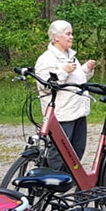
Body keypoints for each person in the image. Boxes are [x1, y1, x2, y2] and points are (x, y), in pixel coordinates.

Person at [35, 20, 97, 173]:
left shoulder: (70, 56)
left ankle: (68, 181)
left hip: (78, 111)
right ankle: (51, 184)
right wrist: (64, 71)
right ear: (56, 37)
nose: (72, 37)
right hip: (62, 115)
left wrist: (86, 69)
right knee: (59, 153)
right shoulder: (46, 59)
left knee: (77, 150)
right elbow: (44, 85)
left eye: (72, 34)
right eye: (68, 34)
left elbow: (75, 79)